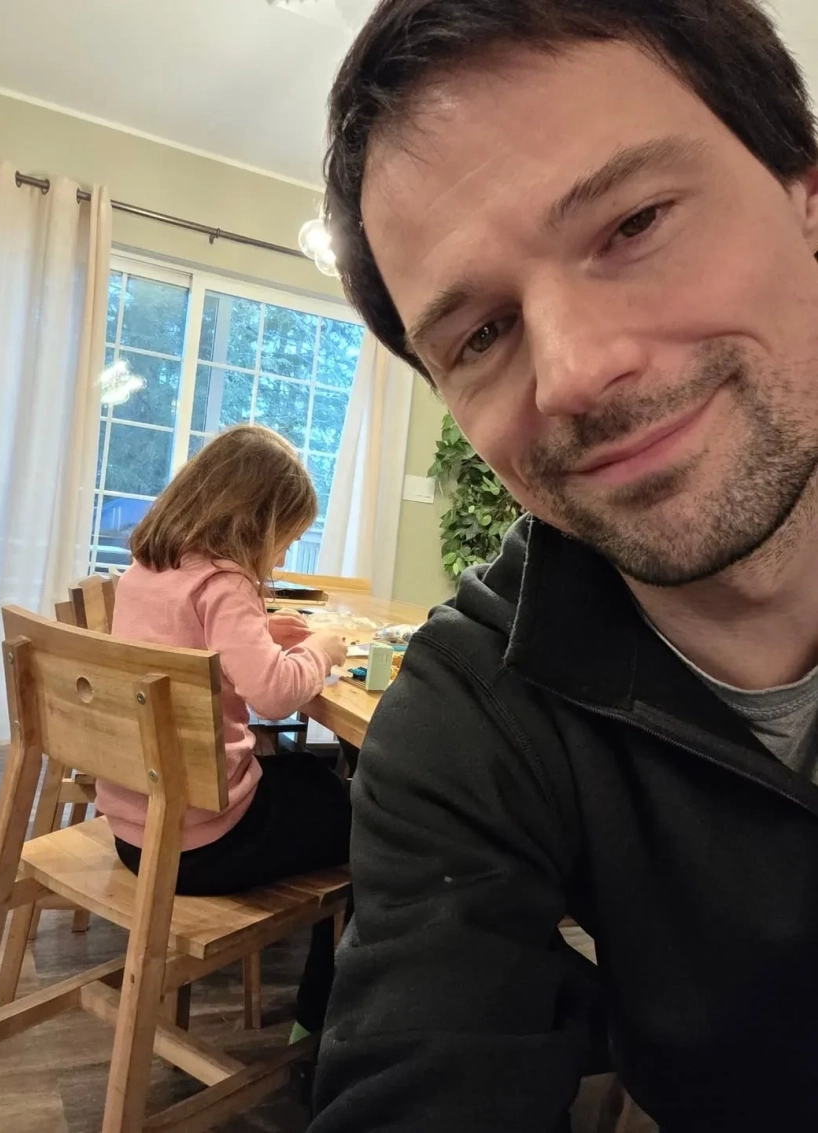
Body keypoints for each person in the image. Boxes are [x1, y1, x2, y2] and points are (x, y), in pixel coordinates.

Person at [308, 1, 818, 1130]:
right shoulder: (467, 713)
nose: (575, 372)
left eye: (634, 222)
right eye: (482, 335)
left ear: (806, 196)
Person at [96, 424, 350, 1042]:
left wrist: (261, 633)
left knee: (309, 778)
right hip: (203, 846)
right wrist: (322, 648)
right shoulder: (225, 581)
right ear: (255, 522)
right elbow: (274, 693)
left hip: (135, 831)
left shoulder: (148, 570)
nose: (281, 558)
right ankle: (321, 1017)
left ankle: (323, 1007)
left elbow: (197, 645)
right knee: (372, 821)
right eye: (283, 539)